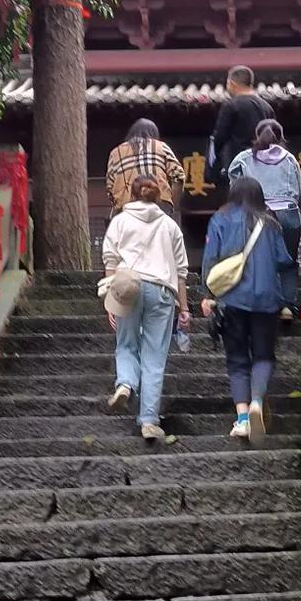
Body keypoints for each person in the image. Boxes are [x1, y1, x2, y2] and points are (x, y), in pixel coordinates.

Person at [201, 177, 296, 443]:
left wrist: (207, 296)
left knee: (237, 359)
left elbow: (211, 258)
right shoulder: (271, 223)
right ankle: (256, 401)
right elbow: (283, 260)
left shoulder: (220, 219)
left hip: (231, 300)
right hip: (267, 300)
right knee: (264, 355)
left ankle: (243, 419)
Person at [100, 175, 190, 444]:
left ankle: (126, 382)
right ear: (158, 195)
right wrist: (184, 307)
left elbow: (110, 259)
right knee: (154, 357)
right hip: (162, 291)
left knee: (126, 344)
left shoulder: (120, 221)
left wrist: (110, 295)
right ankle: (149, 420)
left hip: (129, 287)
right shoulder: (169, 225)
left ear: (133, 193)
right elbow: (181, 271)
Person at [228, 119, 301, 265]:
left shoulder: (243, 158)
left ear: (257, 135)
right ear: (280, 137)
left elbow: (235, 186)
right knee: (288, 264)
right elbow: (299, 192)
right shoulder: (290, 159)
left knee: (258, 265)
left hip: (256, 214)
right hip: (288, 215)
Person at [105, 117, 185, 213]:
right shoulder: (161, 147)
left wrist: (118, 205)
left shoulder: (116, 153)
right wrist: (172, 202)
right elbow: (179, 176)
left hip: (127, 207)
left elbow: (110, 187)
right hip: (159, 203)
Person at [208, 65, 268, 186]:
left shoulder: (231, 106)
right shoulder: (266, 107)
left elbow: (219, 138)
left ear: (231, 83)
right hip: (262, 169)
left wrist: (213, 169)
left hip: (237, 167)